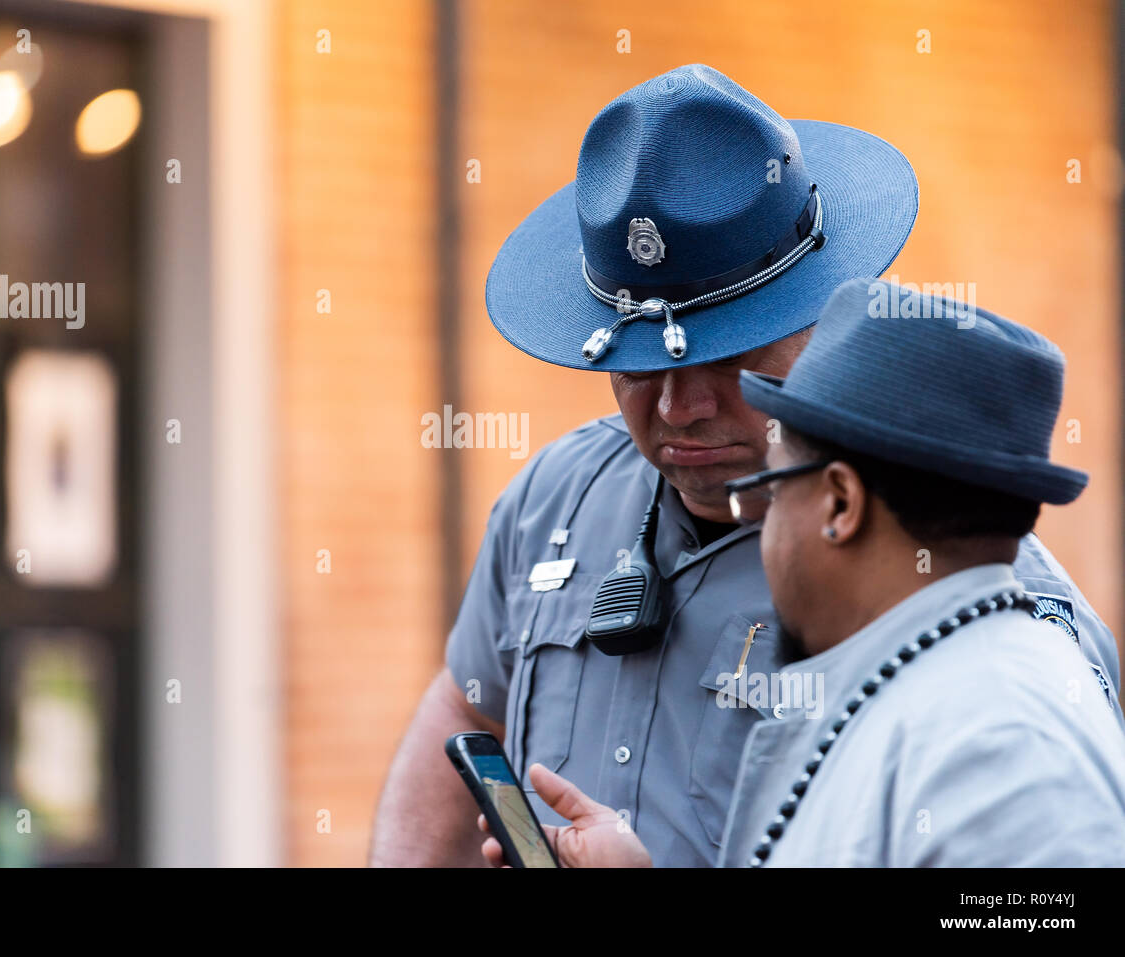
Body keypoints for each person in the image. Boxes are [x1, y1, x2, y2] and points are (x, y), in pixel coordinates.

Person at [369, 65, 1120, 867]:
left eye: (730, 359)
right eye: (638, 367)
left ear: (823, 315)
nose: (678, 408)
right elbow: (466, 704)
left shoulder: (967, 616)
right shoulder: (555, 496)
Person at [477, 277, 1125, 867]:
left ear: (841, 503)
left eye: (770, 486)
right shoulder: (919, 684)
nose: (754, 519)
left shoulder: (1005, 738)